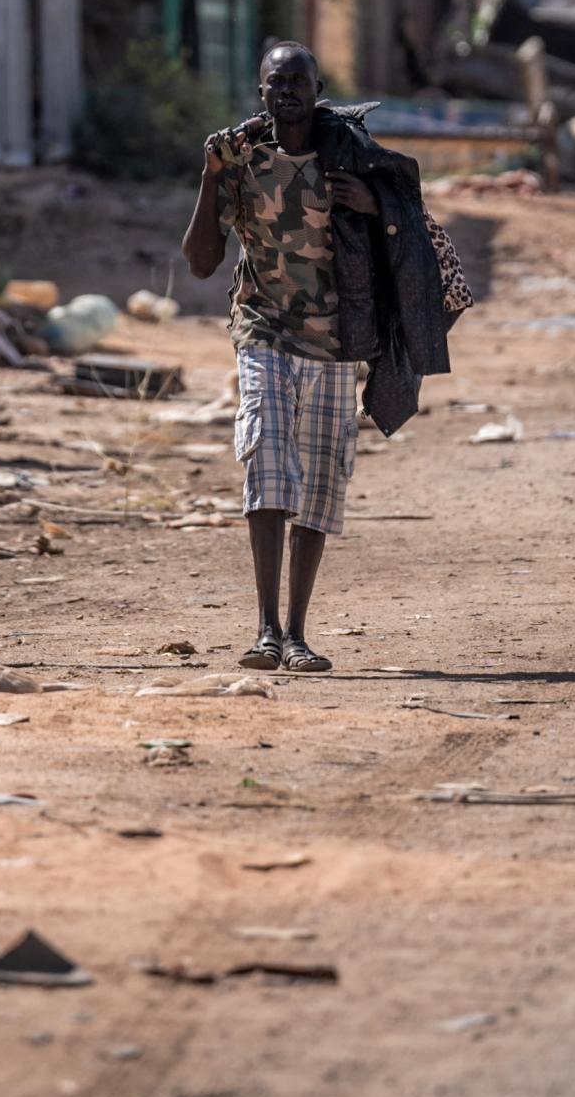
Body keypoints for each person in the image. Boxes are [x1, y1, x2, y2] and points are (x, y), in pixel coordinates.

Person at [182, 41, 458, 671]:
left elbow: (410, 213)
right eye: (276, 83)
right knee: (268, 461)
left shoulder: (351, 155)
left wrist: (372, 204)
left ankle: (299, 634)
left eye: (298, 82)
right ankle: (265, 630)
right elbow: (200, 263)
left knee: (320, 481)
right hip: (263, 331)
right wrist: (211, 173)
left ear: (317, 89)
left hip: (337, 339)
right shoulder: (241, 160)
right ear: (261, 93)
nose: (287, 93)